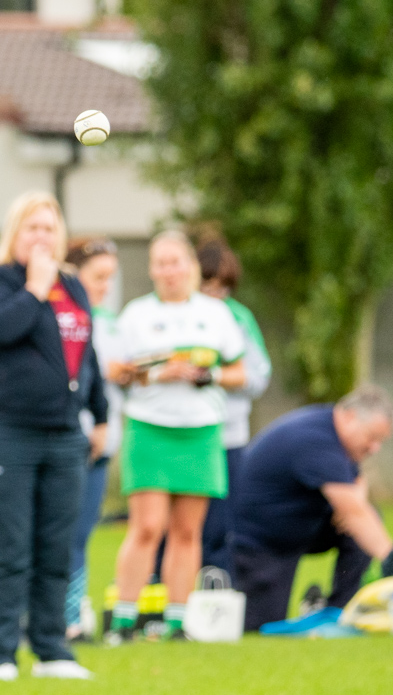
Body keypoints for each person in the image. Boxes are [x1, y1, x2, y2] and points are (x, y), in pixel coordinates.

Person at [0, 192, 107, 682]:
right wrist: (33, 288)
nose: (42, 237)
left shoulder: (72, 285)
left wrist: (101, 414)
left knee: (57, 546)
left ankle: (52, 648)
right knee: (10, 549)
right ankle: (1, 654)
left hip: (65, 436)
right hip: (7, 431)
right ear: (15, 233)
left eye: (49, 229)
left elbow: (86, 354)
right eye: (32, 228)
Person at [105, 230, 245, 644]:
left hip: (200, 430)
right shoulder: (136, 315)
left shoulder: (217, 314)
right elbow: (115, 369)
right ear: (151, 269)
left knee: (188, 530)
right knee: (147, 527)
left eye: (176, 262)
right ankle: (124, 619)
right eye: (161, 263)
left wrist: (209, 375)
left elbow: (239, 372)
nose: (169, 271)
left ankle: (178, 619)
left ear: (192, 267)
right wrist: (157, 372)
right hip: (150, 426)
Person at [231, 387, 393, 630]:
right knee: (260, 629)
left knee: (364, 523)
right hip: (261, 543)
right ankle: (317, 610)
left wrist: (354, 499)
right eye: (372, 437)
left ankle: (339, 611)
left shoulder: (334, 431)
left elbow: (357, 483)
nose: (374, 448)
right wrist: (389, 561)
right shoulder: (314, 440)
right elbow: (355, 513)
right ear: (350, 417)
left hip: (302, 527)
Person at [196, 238, 271, 575]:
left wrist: (214, 376)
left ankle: (217, 598)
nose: (215, 294)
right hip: (186, 434)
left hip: (229, 436)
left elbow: (258, 376)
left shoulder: (239, 318)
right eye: (208, 285)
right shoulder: (184, 316)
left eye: (223, 287)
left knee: (222, 526)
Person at [62, 236, 122, 641]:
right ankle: (59, 616)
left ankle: (73, 612)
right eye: (98, 277)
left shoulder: (110, 321)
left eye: (110, 279)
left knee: (81, 533)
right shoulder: (65, 317)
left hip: (102, 444)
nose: (104, 287)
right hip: (68, 441)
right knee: (61, 534)